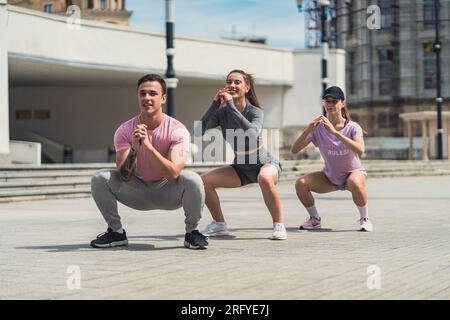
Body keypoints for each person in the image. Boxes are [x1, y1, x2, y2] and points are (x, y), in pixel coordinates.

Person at [90, 74, 208, 250]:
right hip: (136, 191)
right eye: (142, 93)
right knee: (99, 178)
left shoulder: (177, 130)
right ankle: (116, 232)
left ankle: (192, 233)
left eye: (152, 93)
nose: (147, 98)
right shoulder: (124, 130)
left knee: (193, 179)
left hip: (168, 190)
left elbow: (173, 173)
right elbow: (124, 176)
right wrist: (135, 149)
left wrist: (149, 147)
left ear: (163, 98)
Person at [197, 69, 287, 240]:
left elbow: (252, 134)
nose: (232, 85)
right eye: (229, 82)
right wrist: (215, 104)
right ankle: (219, 224)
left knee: (265, 179)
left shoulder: (255, 112)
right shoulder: (221, 113)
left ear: (246, 88)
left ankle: (279, 225)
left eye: (237, 82)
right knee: (204, 182)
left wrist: (230, 105)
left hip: (264, 163)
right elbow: (199, 130)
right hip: (241, 168)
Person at [291, 86, 373, 232]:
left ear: (343, 103)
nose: (330, 104)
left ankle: (365, 219)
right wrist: (307, 130)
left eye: (334, 101)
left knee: (355, 182)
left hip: (352, 175)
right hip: (330, 177)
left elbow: (360, 149)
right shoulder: (318, 128)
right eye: (327, 101)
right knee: (301, 183)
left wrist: (335, 133)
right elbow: (295, 150)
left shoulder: (353, 127)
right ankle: (315, 219)